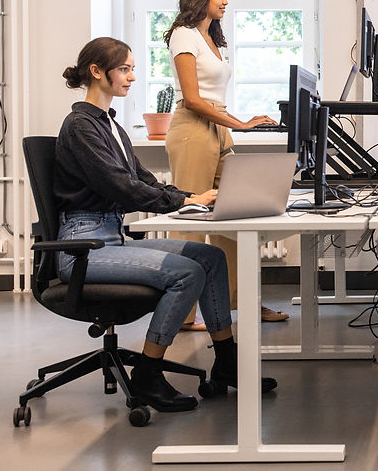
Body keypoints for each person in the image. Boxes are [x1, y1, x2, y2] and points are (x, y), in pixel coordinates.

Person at [55, 37, 276, 413]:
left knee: (210, 257)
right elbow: (121, 187)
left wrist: (191, 197)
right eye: (124, 69)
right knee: (186, 273)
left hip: (111, 238)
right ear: (96, 72)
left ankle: (226, 363)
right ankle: (148, 373)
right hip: (84, 247)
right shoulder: (81, 127)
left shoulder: (109, 126)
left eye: (132, 69)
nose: (132, 77)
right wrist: (183, 202)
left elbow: (145, 180)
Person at [162, 0, 287, 328]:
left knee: (231, 218)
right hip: (192, 130)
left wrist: (235, 122)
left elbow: (213, 100)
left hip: (215, 129)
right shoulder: (184, 36)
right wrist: (242, 124)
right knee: (190, 221)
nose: (225, 1)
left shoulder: (210, 38)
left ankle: (238, 306)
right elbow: (192, 98)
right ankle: (182, 315)